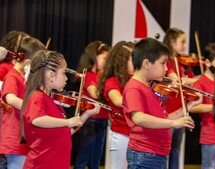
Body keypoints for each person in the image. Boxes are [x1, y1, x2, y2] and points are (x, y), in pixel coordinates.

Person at [123, 38, 200, 169]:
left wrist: (189, 106)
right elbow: (139, 118)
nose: (166, 68)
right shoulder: (133, 88)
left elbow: (163, 119)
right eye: (163, 63)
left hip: (156, 154)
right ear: (146, 63)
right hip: (145, 155)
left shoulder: (150, 86)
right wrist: (174, 123)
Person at [21, 50, 100, 169]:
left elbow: (66, 132)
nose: (66, 79)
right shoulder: (37, 96)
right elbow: (36, 119)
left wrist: (86, 115)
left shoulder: (51, 100)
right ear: (51, 75)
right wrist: (67, 122)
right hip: (42, 165)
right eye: (64, 73)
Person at [0, 37, 45, 169]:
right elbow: (11, 99)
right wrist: (34, 108)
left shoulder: (25, 78)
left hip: (25, 138)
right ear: (28, 62)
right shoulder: (12, 76)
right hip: (15, 139)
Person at [162, 27, 198, 169]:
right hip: (170, 112)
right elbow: (176, 80)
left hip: (181, 110)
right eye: (182, 42)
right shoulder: (167, 62)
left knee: (176, 151)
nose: (184, 45)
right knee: (166, 151)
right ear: (171, 42)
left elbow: (189, 80)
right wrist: (195, 80)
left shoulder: (181, 61)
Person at [189, 43, 215, 169]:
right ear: (207, 62)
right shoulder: (200, 83)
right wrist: (214, 107)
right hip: (210, 136)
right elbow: (193, 107)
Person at [72, 41, 110, 169]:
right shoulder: (88, 74)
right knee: (83, 157)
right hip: (91, 121)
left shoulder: (99, 74)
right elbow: (95, 93)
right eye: (104, 58)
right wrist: (109, 86)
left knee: (96, 160)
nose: (106, 61)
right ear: (94, 56)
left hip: (102, 119)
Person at [98, 41, 134, 169]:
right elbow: (118, 100)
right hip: (120, 135)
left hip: (134, 134)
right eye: (132, 59)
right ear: (122, 61)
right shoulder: (111, 81)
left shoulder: (133, 79)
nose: (136, 62)